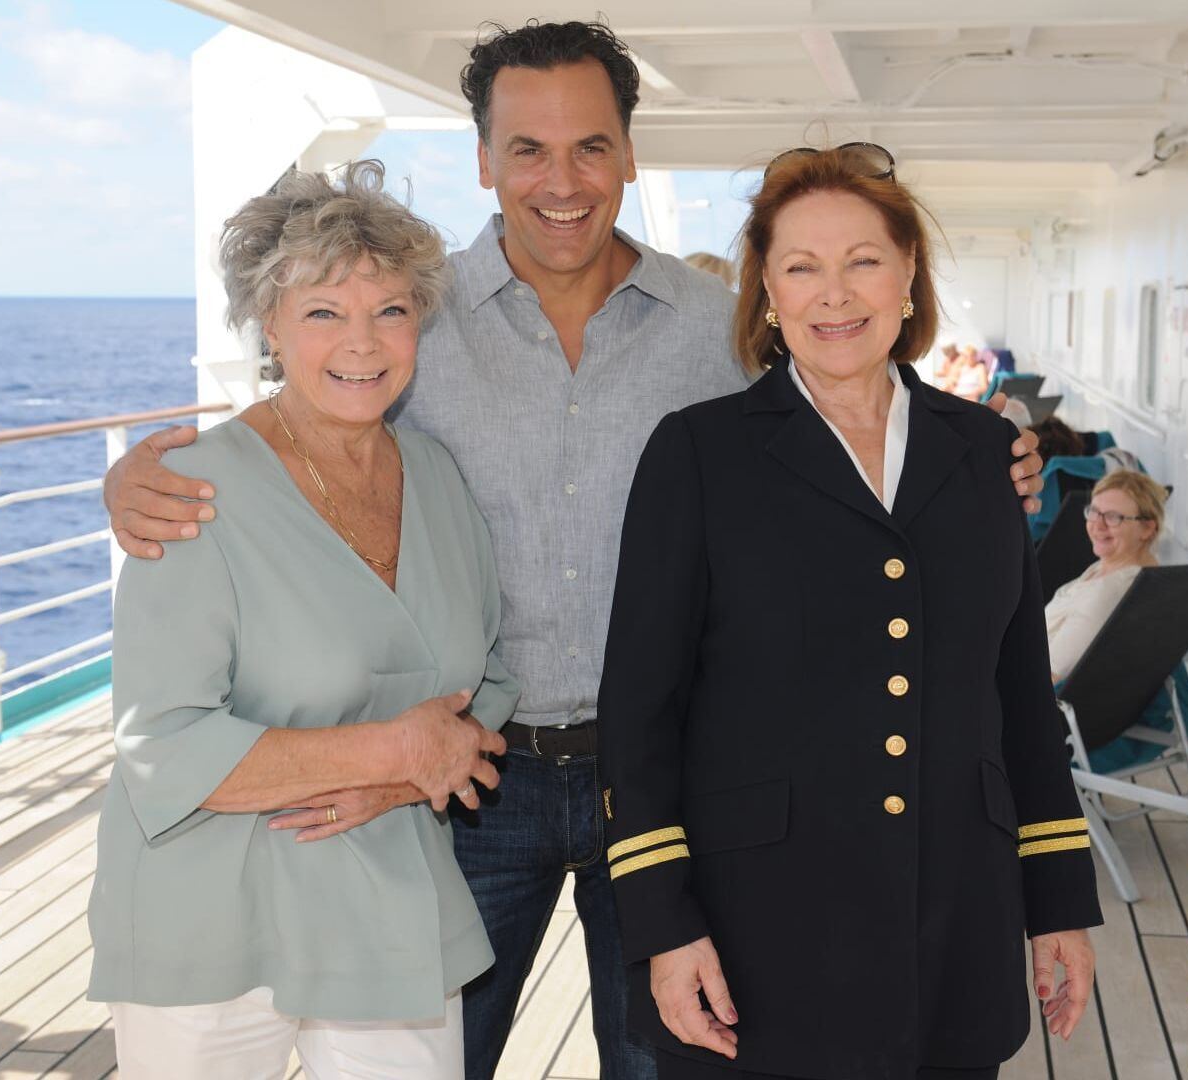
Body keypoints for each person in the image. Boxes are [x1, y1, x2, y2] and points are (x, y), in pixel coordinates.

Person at [101, 22, 1048, 1080]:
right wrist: (136, 477)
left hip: (676, 785)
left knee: (668, 1060)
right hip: (470, 782)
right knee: (442, 1062)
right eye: (528, 150)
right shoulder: (413, 318)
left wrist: (985, 464)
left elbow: (845, 427)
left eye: (591, 147)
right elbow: (311, 418)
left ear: (629, 155)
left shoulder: (722, 333)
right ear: (483, 160)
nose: (562, 181)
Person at [596, 144, 1102, 1080]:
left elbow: (1020, 699)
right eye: (801, 267)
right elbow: (639, 717)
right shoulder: (698, 455)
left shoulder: (985, 452)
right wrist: (664, 926)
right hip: (757, 943)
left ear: (908, 275)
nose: (834, 294)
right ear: (768, 292)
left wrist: (1059, 899)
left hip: (956, 929)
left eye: (863, 261)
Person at [86, 161, 516, 1079]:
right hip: (210, 918)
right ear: (270, 324)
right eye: (323, 311)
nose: (362, 341)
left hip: (390, 900)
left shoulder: (438, 477)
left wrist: (403, 782)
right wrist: (393, 752)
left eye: (390, 309)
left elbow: (488, 679)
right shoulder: (189, 490)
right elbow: (163, 743)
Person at [1044, 470, 1167, 681]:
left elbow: (1049, 678)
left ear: (1147, 528)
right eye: (1094, 512)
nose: (1097, 525)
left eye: (1113, 517)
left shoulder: (1105, 594)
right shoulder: (1115, 568)